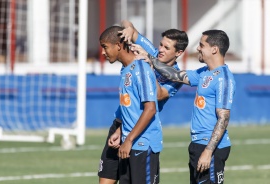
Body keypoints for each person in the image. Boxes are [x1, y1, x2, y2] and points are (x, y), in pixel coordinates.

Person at [133, 29, 236, 184]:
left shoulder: (224, 79)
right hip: (197, 144)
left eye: (202, 45)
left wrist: (208, 152)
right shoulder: (204, 72)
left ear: (214, 49)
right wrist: (149, 59)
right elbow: (174, 75)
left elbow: (223, 118)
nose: (198, 48)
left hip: (210, 147)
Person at [98, 21, 189, 184]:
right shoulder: (148, 55)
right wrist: (130, 29)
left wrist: (150, 63)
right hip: (122, 126)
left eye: (167, 48)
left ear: (179, 52)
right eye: (161, 44)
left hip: (141, 133)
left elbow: (157, 97)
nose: (160, 49)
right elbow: (128, 27)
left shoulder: (174, 76)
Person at [99, 25, 163, 184]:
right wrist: (121, 132)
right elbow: (132, 109)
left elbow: (150, 108)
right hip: (129, 142)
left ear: (118, 46)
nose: (103, 52)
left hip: (143, 144)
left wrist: (128, 140)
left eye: (105, 47)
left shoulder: (141, 69)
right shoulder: (126, 70)